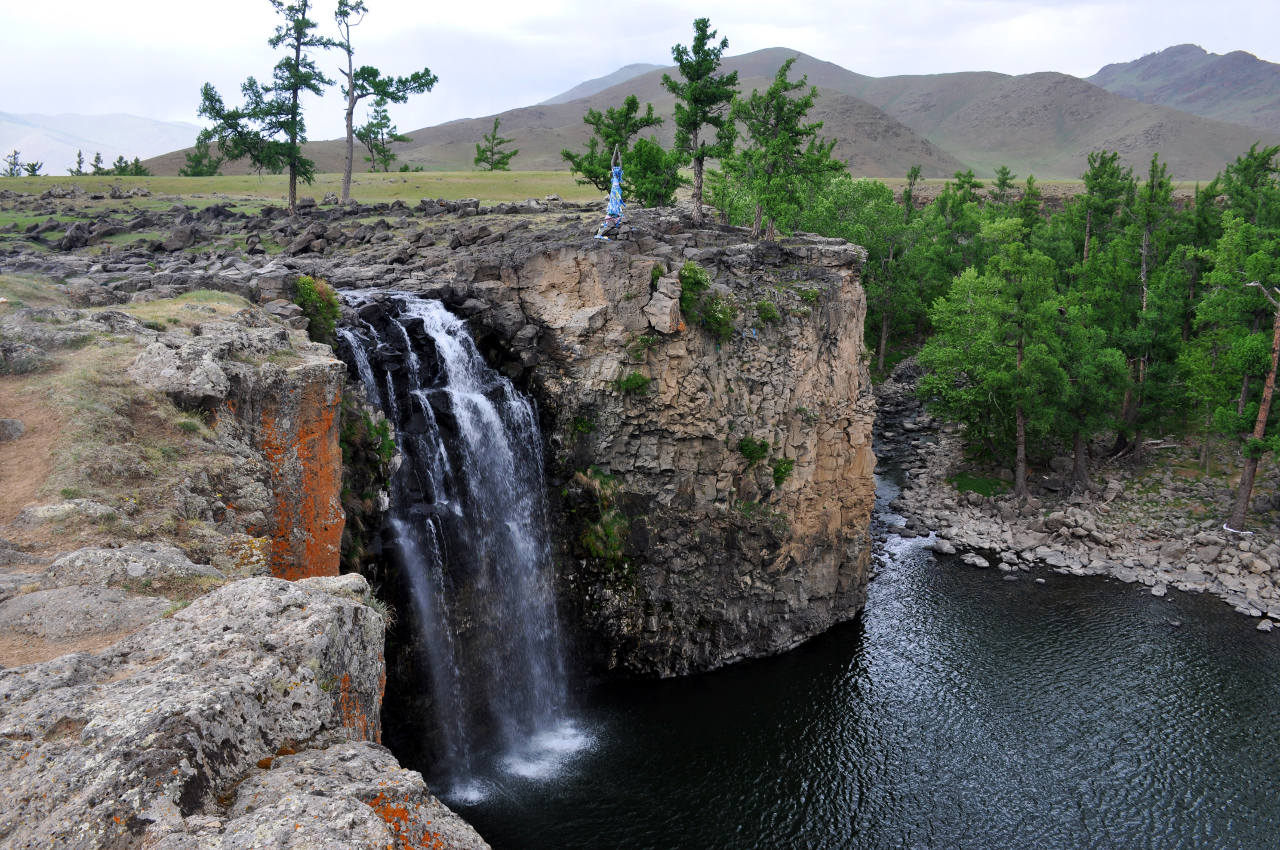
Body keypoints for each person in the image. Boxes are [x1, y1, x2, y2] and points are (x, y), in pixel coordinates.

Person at [594, 145, 625, 240]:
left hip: (616, 189)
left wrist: (618, 153)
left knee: (615, 201)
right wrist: (617, 151)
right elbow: (614, 163)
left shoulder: (617, 171)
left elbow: (618, 164)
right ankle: (614, 212)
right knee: (614, 201)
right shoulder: (615, 171)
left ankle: (615, 213)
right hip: (614, 189)